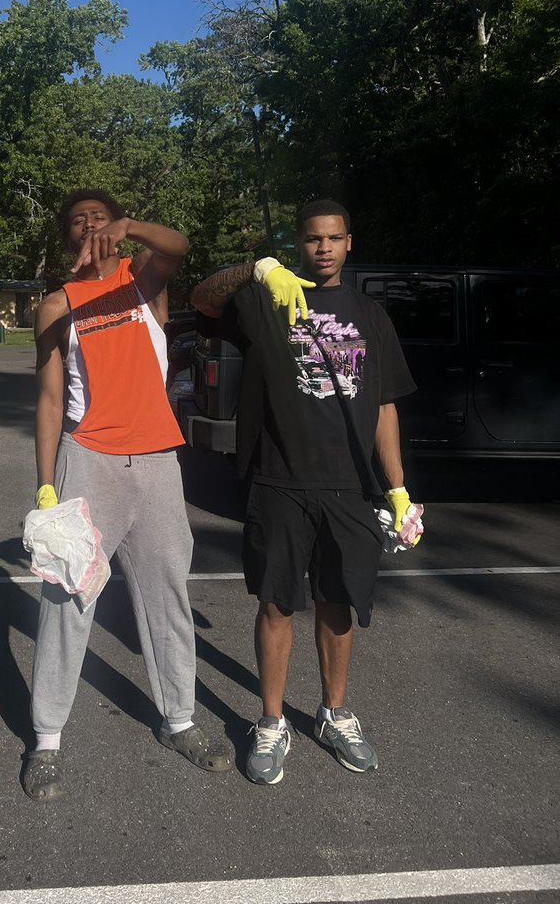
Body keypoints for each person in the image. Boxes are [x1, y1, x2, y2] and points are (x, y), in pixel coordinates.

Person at [191, 199, 417, 786]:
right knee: (274, 603)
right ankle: (271, 721)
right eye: (312, 239)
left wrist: (396, 487)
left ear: (348, 243)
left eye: (333, 238)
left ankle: (334, 713)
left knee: (338, 605)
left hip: (348, 486)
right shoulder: (266, 301)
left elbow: (386, 404)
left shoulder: (370, 315)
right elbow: (202, 299)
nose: (322, 248)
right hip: (278, 479)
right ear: (298, 243)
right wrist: (256, 268)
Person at [23, 190, 233, 800]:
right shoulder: (58, 304)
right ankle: (47, 739)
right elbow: (48, 399)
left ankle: (180, 720)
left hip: (158, 461)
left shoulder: (144, 282)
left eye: (99, 216)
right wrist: (45, 486)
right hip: (88, 459)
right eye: (77, 221)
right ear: (67, 239)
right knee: (68, 596)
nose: (90, 226)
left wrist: (132, 225)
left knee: (167, 590)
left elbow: (178, 245)